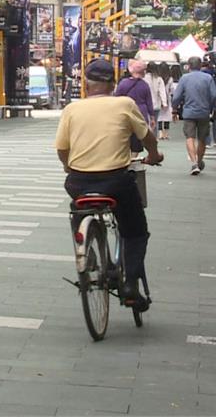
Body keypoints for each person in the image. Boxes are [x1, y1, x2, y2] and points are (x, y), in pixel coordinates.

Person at [55, 58, 164, 312]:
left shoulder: (72, 109)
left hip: (78, 181)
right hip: (117, 180)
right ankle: (130, 285)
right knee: (135, 230)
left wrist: (68, 167)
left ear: (85, 83)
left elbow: (62, 149)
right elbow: (146, 136)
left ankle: (88, 247)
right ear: (113, 84)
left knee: (78, 208)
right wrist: (154, 155)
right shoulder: (124, 104)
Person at [171, 56, 216, 175]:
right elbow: (214, 95)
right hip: (204, 112)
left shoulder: (184, 78)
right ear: (200, 65)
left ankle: (194, 163)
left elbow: (176, 97)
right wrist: (211, 107)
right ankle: (199, 161)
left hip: (188, 112)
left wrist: (174, 110)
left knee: (190, 137)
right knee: (202, 138)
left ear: (189, 66)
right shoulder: (208, 78)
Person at [114, 60, 153, 154]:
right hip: (140, 114)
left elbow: (116, 98)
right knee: (137, 141)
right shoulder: (145, 85)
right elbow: (149, 102)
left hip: (124, 113)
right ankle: (133, 158)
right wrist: (152, 117)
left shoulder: (123, 83)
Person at [157, 64, 174, 140]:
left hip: (159, 98)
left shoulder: (158, 78)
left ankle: (160, 134)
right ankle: (166, 134)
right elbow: (172, 89)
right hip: (167, 98)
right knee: (167, 117)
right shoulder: (170, 79)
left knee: (159, 117)